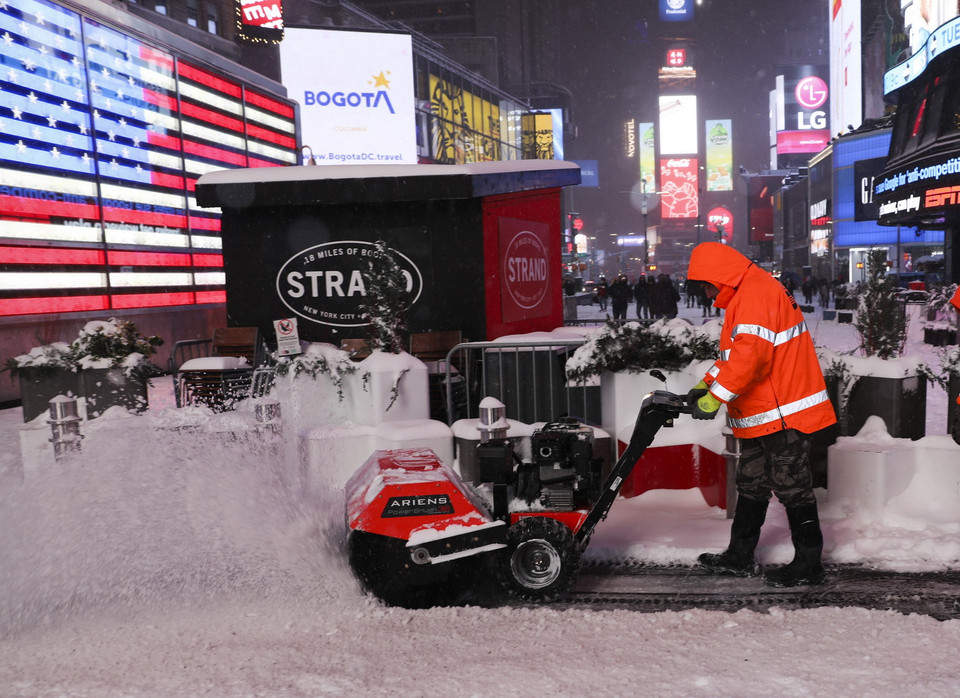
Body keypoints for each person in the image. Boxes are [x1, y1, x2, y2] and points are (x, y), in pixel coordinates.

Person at [685, 242, 837, 588]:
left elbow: (751, 358)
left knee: (792, 485)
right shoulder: (747, 294)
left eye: (707, 286)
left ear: (719, 277)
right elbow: (733, 355)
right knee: (751, 481)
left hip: (784, 411)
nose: (708, 295)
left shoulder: (756, 293)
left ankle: (809, 563)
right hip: (763, 410)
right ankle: (739, 555)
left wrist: (716, 398)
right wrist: (706, 385)